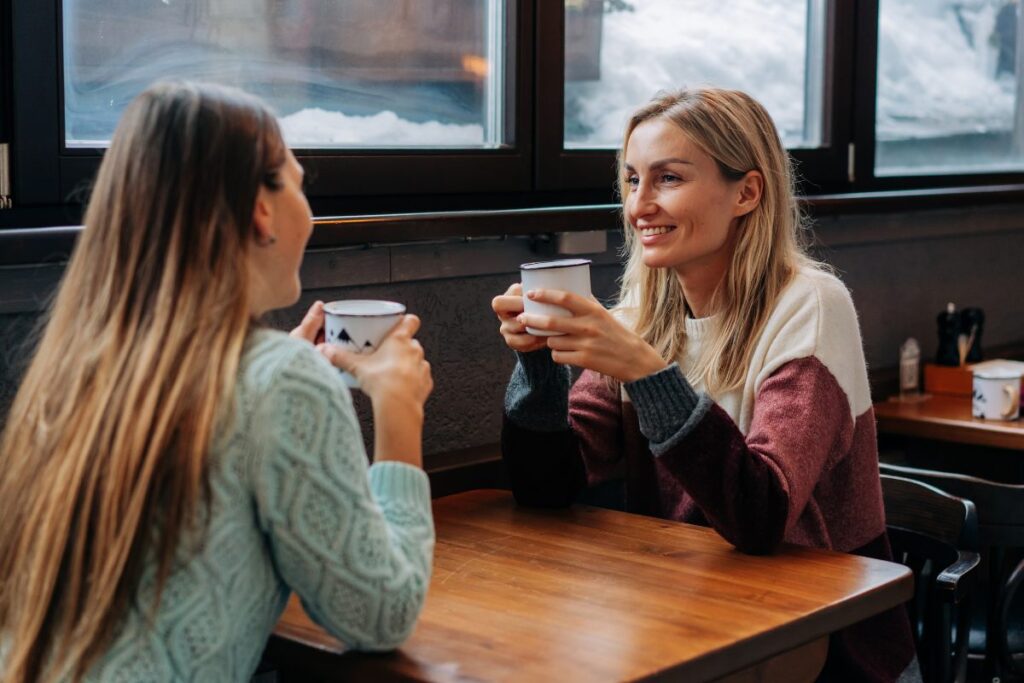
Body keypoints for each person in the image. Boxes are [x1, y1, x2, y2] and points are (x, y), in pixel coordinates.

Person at [0, 81, 434, 682]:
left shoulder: (74, 370)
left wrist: (269, 390)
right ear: (261, 210)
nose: (308, 212)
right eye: (300, 184)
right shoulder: (283, 381)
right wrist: (399, 410)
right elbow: (381, 615)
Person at [492, 87, 917, 682]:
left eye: (667, 179)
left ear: (746, 192)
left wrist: (645, 372)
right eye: (630, 179)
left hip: (825, 639)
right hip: (683, 609)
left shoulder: (811, 306)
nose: (640, 205)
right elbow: (547, 485)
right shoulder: (642, 310)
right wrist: (539, 364)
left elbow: (761, 515)